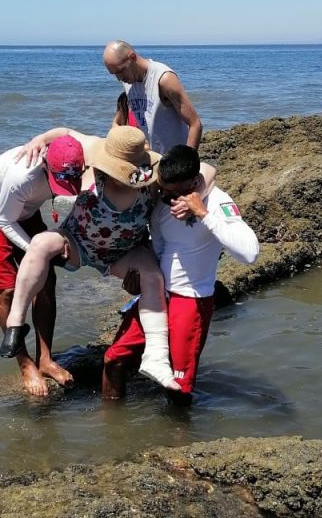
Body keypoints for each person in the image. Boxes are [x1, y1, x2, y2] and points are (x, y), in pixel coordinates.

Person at [3, 126, 215, 391]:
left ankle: (156, 357)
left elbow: (206, 169)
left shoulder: (153, 178)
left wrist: (197, 198)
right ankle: (15, 324)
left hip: (123, 253)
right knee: (40, 242)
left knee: (152, 276)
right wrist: (39, 140)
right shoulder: (94, 152)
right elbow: (66, 132)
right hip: (76, 242)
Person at [102, 144, 260, 403]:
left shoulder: (218, 203)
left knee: (178, 387)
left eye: (173, 193)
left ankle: (182, 441)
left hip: (191, 300)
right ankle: (110, 431)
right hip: (157, 296)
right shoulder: (163, 202)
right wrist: (140, 284)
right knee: (113, 360)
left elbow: (250, 253)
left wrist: (203, 213)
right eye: (163, 191)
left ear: (195, 182)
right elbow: (159, 250)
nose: (167, 198)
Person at [0, 133, 85, 396]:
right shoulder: (23, 177)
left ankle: (46, 358)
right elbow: (4, 221)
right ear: (45, 166)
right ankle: (25, 363)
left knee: (46, 279)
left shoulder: (76, 157)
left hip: (26, 210)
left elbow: (67, 132)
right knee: (8, 289)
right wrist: (36, 250)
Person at [103, 40, 203, 154]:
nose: (119, 78)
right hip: (153, 158)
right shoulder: (128, 82)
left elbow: (195, 123)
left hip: (176, 159)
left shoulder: (164, 79)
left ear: (132, 57)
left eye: (120, 71)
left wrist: (187, 163)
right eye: (114, 73)